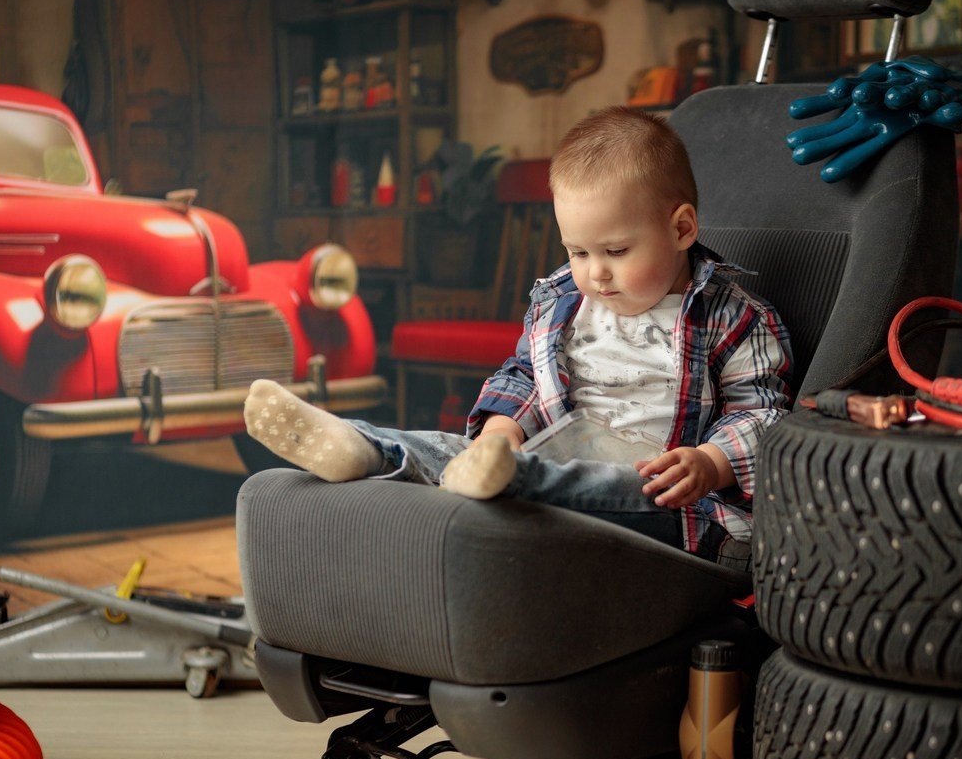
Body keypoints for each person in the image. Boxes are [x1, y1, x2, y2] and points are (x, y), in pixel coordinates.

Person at [244, 105, 792, 569]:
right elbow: (526, 375)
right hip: (549, 455)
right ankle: (365, 447)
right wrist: (503, 430)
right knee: (464, 448)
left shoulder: (734, 318)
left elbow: (762, 413)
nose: (595, 272)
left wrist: (710, 462)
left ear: (681, 229)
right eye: (578, 252)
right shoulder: (564, 304)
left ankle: (501, 477)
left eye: (616, 252)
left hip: (659, 500)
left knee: (564, 481)